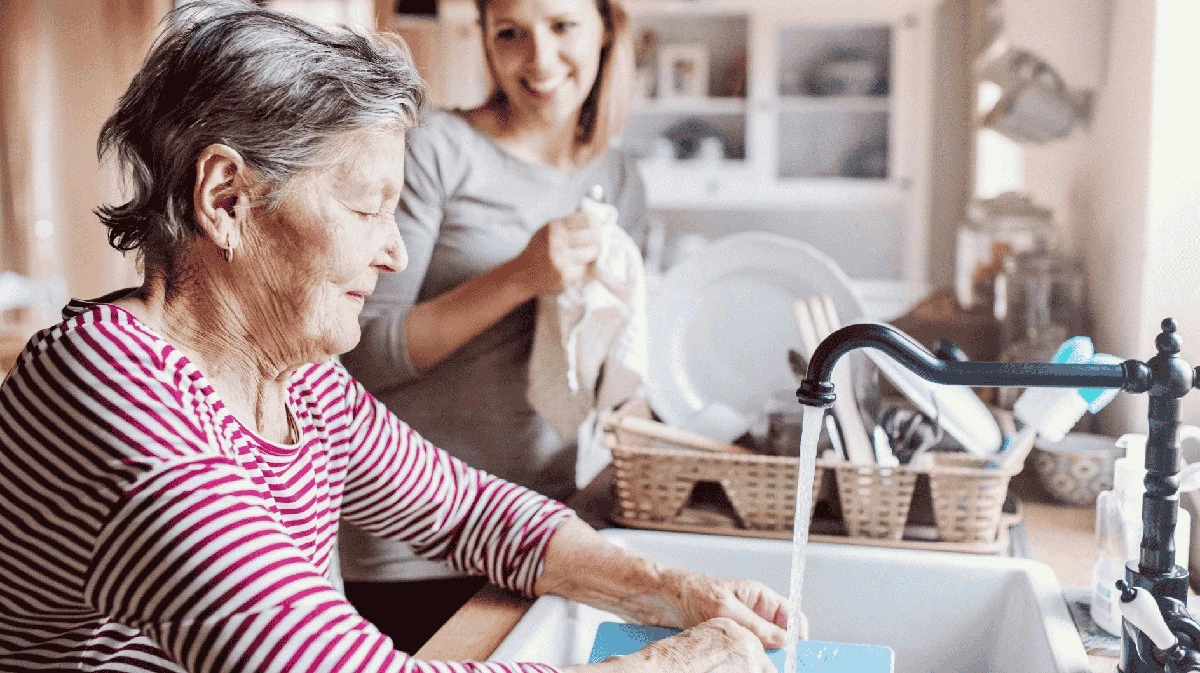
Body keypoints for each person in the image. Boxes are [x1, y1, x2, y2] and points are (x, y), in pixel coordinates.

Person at [0, 2, 799, 672]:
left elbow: (474, 515)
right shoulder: (114, 390)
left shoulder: (296, 377)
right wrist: (668, 662)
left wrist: (681, 589)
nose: (397, 249)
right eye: (364, 207)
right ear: (227, 198)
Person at [338, 0, 650, 648]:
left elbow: (612, 352)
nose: (539, 59)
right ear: (484, 39)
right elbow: (361, 351)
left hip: (549, 527)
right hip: (414, 542)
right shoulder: (434, 149)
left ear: (606, 30)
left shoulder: (620, 177)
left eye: (562, 26)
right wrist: (521, 275)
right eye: (510, 33)